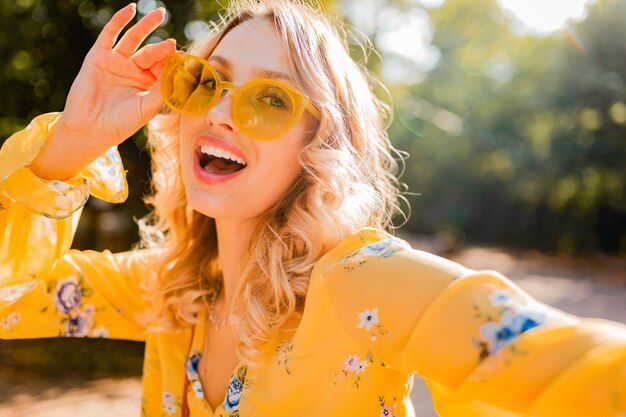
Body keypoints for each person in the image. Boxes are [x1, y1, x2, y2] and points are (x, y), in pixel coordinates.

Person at [0, 1, 625, 416]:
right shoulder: (170, 291)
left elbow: (577, 369)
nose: (218, 112)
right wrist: (71, 147)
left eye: (269, 100)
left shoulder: (367, 284)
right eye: (205, 81)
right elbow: (10, 297)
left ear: (317, 146)